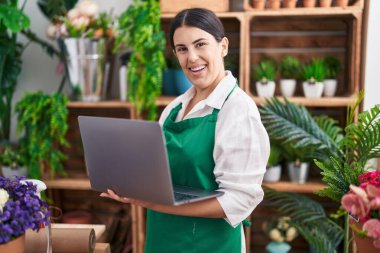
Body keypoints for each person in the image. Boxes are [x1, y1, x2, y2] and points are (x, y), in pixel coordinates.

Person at [100, 8, 270, 253]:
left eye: (200, 44)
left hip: (210, 245)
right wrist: (132, 185)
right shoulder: (174, 108)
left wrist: (153, 203)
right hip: (163, 240)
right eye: (182, 49)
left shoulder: (238, 110)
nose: (192, 57)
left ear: (223, 46)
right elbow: (159, 173)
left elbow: (239, 201)